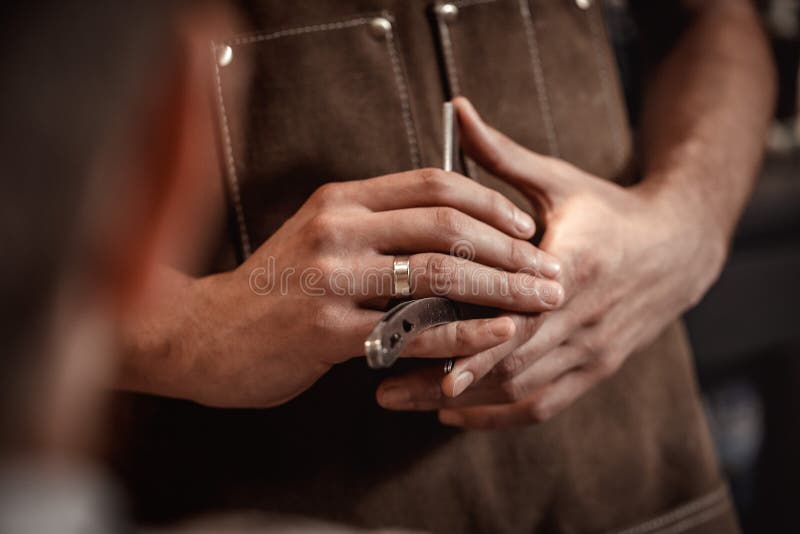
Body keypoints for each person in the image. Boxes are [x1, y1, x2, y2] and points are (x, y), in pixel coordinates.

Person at [110, 0, 775, 532]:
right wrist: (187, 330)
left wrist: (689, 221)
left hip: (641, 477)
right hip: (254, 500)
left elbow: (718, 18)